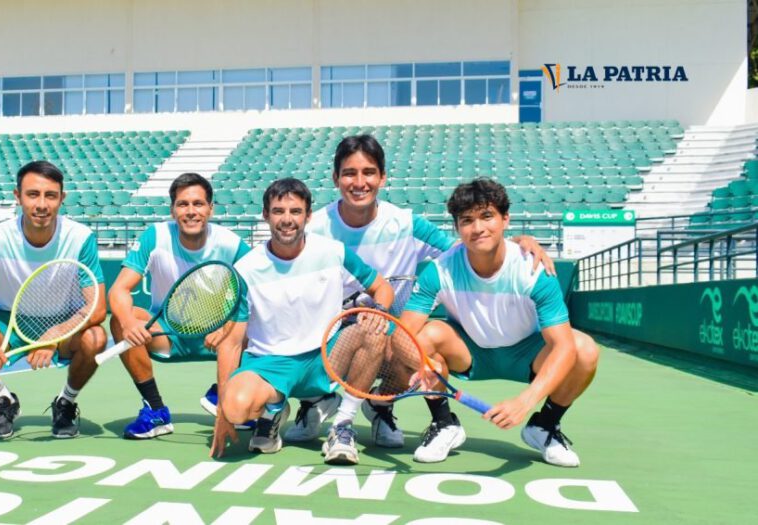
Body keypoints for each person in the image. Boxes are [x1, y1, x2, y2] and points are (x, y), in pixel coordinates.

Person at [287, 134, 556, 465]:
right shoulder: (317, 228)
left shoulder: (406, 223)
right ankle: (324, 408)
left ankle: (383, 407)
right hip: (332, 339)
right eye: (349, 173)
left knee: (403, 334)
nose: (359, 182)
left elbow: (469, 246)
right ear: (335, 179)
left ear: (382, 177)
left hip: (392, 335)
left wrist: (517, 241)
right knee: (369, 331)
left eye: (369, 172)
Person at [399, 178, 599, 467]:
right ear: (457, 228)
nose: (477, 228)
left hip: (527, 355)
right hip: (470, 353)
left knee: (584, 349)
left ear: (506, 219)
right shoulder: (440, 270)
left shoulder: (533, 270)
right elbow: (404, 333)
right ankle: (444, 424)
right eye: (466, 220)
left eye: (487, 216)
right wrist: (419, 362)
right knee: (424, 337)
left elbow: (564, 348)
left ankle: (544, 426)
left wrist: (525, 402)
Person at [209, 178, 394, 462]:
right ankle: (274, 410)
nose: (287, 219)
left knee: (374, 331)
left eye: (295, 211)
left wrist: (378, 309)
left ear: (308, 216)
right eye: (278, 211)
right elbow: (231, 343)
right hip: (270, 364)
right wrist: (222, 413)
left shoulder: (334, 251)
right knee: (235, 408)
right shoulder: (245, 270)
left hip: (326, 355)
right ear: (265, 215)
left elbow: (382, 287)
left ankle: (343, 425)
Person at [0, 160, 107, 440]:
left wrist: (55, 335)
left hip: (64, 323)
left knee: (96, 338)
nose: (41, 204)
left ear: (62, 198)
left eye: (50, 196)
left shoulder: (80, 237)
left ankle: (65, 403)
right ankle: (3, 400)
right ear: (17, 196)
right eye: (33, 194)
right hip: (9, 321)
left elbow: (97, 308)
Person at [107, 173, 251, 439]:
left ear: (211, 208)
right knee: (120, 318)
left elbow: (260, 294)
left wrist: (230, 326)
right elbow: (119, 289)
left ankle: (227, 395)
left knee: (257, 323)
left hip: (220, 337)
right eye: (183, 204)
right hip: (169, 334)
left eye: (198, 204)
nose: (191, 211)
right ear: (173, 210)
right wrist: (128, 323)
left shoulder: (231, 243)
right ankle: (155, 410)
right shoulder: (155, 236)